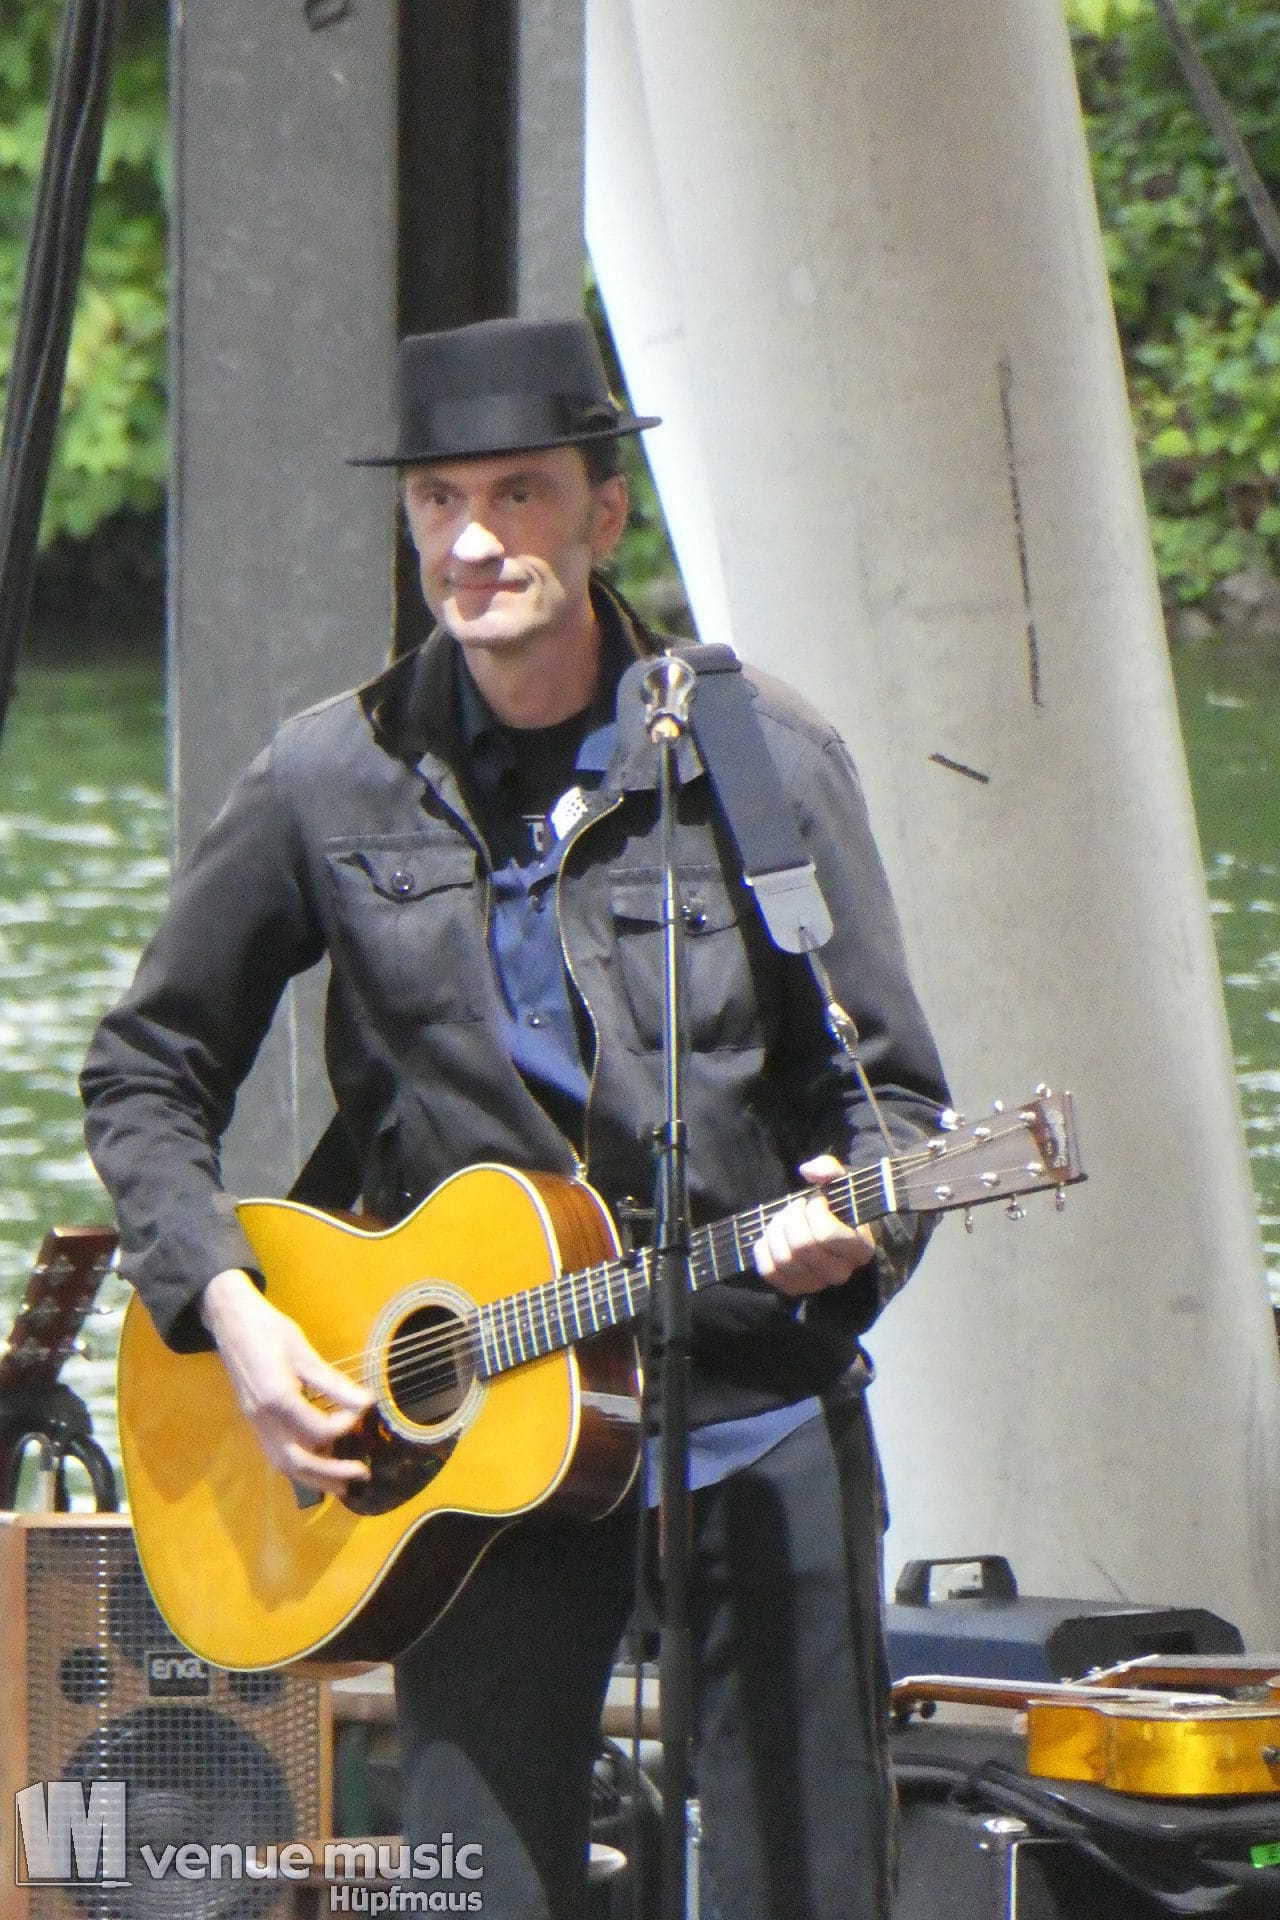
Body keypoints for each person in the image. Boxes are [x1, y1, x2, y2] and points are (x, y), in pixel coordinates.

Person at [81, 315, 949, 1920]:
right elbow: (146, 1069)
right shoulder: (327, 777)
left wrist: (863, 1225)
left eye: (517, 495)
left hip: (749, 1405)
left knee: (806, 1889)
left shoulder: (761, 758)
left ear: (603, 512)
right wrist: (236, 1317)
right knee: (478, 1893)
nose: (473, 543)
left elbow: (891, 1097)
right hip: (467, 1449)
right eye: (439, 502)